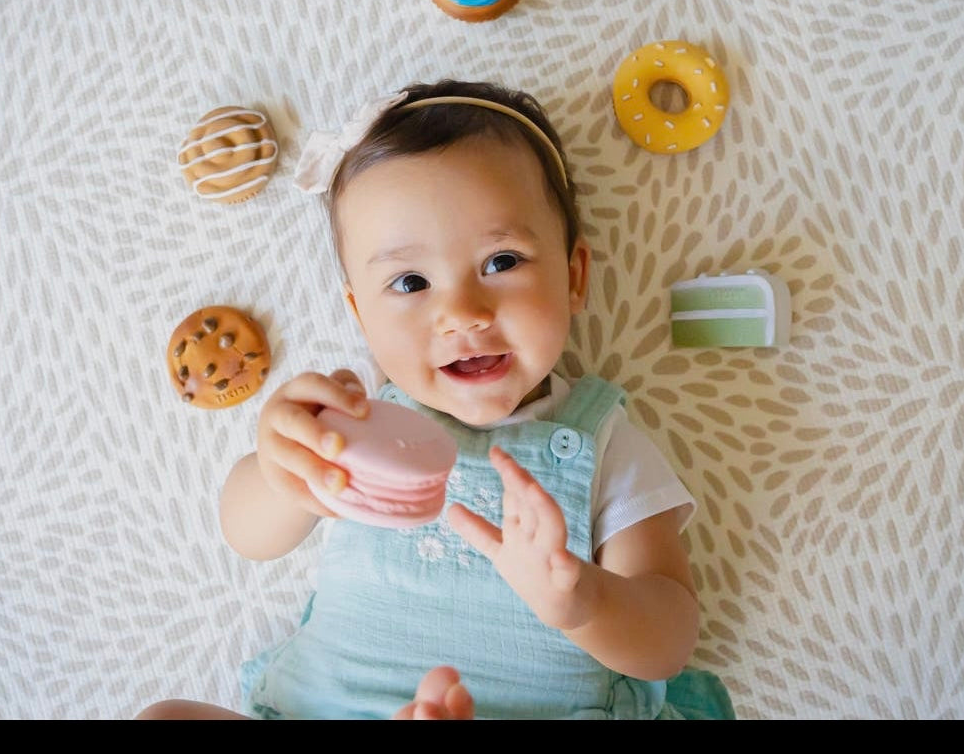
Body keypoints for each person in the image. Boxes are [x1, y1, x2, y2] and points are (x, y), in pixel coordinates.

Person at [136, 80, 735, 720]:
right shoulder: (352, 427)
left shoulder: (602, 440)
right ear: (361, 316)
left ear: (575, 277)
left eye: (502, 261)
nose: (462, 313)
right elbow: (246, 536)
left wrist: (583, 601)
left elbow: (669, 640)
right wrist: (285, 470)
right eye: (411, 281)